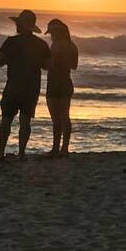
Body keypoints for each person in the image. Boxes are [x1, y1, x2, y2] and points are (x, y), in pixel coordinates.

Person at [0, 9, 50, 160]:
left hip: (13, 85)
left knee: (6, 119)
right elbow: (47, 66)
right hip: (31, 87)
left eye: (18, 24)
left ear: (22, 26)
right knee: (25, 121)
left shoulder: (11, 42)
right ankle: (21, 153)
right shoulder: (41, 45)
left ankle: (1, 153)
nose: (16, 26)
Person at [45, 18, 78, 156]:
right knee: (65, 117)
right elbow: (74, 66)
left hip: (54, 83)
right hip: (66, 82)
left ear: (57, 32)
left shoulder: (55, 46)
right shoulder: (72, 46)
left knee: (56, 119)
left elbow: (50, 66)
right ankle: (64, 148)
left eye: (52, 32)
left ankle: (55, 148)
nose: (51, 36)